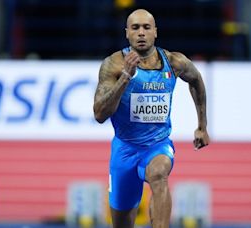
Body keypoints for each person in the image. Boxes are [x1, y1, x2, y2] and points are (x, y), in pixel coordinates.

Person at [93, 9, 209, 228]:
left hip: (158, 145)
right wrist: (125, 77)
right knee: (121, 223)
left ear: (155, 32)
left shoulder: (174, 62)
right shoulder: (114, 64)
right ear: (127, 33)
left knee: (159, 173)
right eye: (135, 28)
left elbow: (196, 80)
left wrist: (202, 126)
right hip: (125, 149)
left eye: (147, 27)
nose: (141, 33)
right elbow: (99, 114)